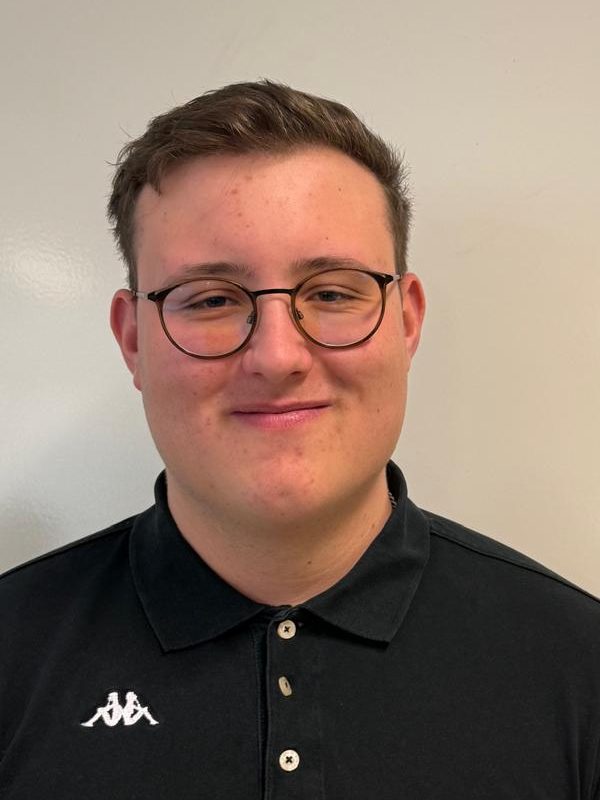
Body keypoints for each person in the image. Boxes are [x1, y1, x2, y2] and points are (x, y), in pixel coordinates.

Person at [1, 81, 599, 800]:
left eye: (333, 292)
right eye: (212, 299)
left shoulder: (580, 664)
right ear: (133, 340)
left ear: (407, 321)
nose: (278, 357)